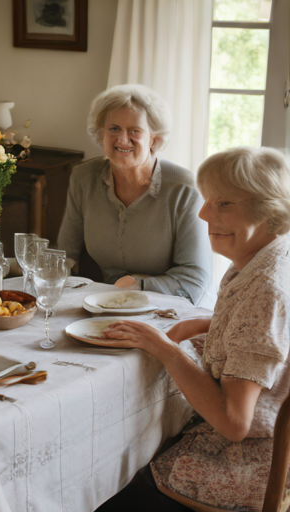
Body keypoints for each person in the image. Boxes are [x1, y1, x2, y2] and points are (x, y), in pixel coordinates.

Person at [96, 146, 290, 511]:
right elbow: (270, 333)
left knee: (104, 487)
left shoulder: (266, 289)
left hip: (243, 462)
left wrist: (164, 348)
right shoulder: (264, 257)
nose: (203, 214)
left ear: (269, 210)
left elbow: (235, 424)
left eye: (223, 204)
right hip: (251, 443)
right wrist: (212, 322)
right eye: (207, 201)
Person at [57, 84, 214, 307]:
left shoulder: (184, 188)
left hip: (176, 309)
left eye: (134, 131)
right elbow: (64, 257)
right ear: (101, 133)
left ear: (153, 139)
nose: (122, 139)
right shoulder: (83, 178)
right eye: (113, 129)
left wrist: (136, 284)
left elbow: (194, 280)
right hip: (110, 304)